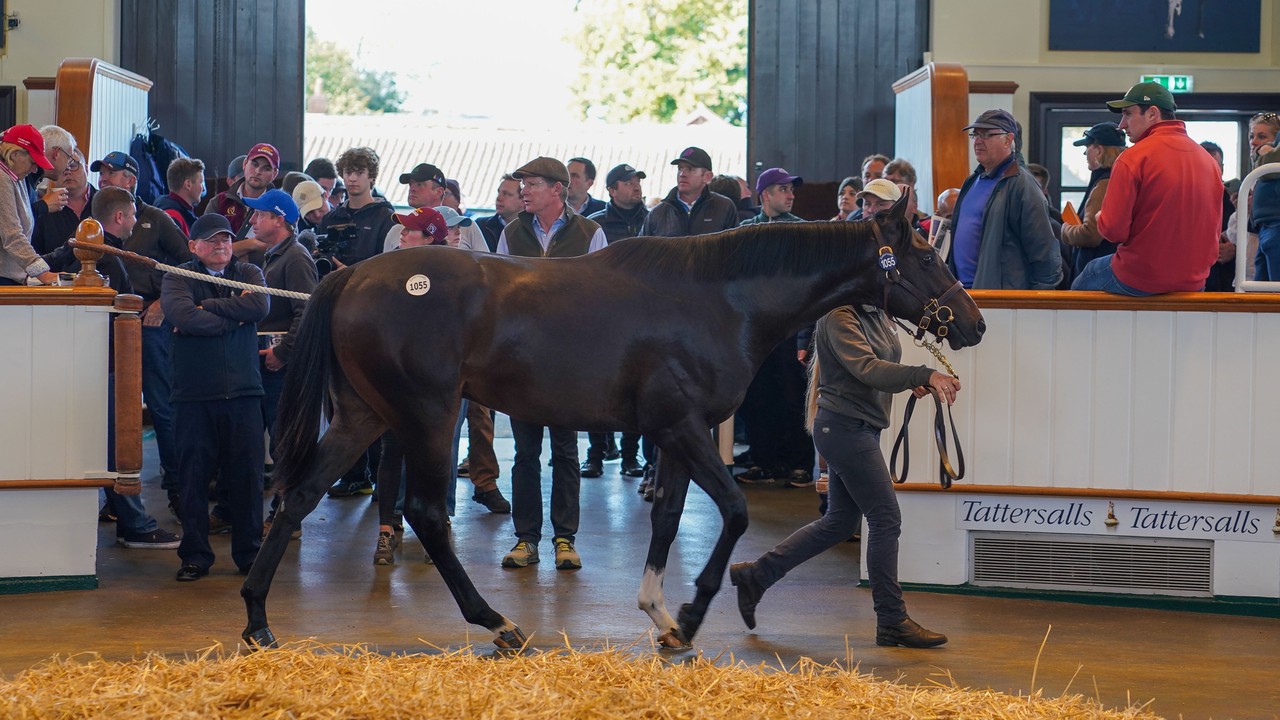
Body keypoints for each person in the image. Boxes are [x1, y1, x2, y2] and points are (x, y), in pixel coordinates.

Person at [728, 302, 959, 649]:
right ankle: (892, 621)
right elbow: (866, 368)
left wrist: (906, 381)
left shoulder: (874, 312)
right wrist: (922, 374)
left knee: (839, 522)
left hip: (858, 427)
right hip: (845, 429)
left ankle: (757, 575)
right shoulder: (839, 316)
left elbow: (878, 366)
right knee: (885, 518)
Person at [496, 156, 606, 571]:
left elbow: (603, 299)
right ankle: (525, 539)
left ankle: (565, 539)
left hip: (569, 362)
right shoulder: (511, 232)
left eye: (532, 184)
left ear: (557, 189)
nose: (524, 190)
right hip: (522, 361)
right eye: (521, 184)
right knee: (525, 453)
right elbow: (501, 296)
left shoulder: (591, 233)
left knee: (564, 451)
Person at [161, 213, 269, 581]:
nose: (222, 245)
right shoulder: (177, 275)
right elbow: (183, 316)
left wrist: (209, 307)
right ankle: (194, 556)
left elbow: (260, 307)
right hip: (193, 396)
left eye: (226, 239)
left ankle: (249, 554)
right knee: (193, 479)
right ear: (194, 246)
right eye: (212, 240)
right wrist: (234, 317)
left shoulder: (250, 273)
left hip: (244, 394)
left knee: (248, 478)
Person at [93, 150, 193, 509]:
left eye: (112, 173)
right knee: (109, 410)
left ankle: (179, 490)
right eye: (102, 173)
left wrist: (164, 303)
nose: (104, 179)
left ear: (131, 180)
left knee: (163, 408)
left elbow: (187, 262)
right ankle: (112, 498)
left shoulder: (156, 219)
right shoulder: (95, 222)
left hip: (149, 323)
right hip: (105, 326)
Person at [1073, 82, 1221, 295]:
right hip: (1195, 280)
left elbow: (1114, 231)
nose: (1122, 125)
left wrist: (1100, 217)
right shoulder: (1208, 161)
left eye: (1127, 114)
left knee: (1084, 280)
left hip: (1141, 275)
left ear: (1152, 113)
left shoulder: (1133, 157)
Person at [321, 146, 396, 498]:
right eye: (348, 171)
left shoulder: (386, 217)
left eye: (359, 171)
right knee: (340, 398)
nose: (352, 177)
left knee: (375, 396)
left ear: (371, 176)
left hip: (372, 317)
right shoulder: (331, 217)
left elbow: (388, 266)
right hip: (335, 313)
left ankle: (382, 476)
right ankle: (353, 473)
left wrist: (351, 274)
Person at [582, 163, 650, 478]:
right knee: (597, 385)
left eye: (637, 181)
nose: (635, 186)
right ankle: (595, 454)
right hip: (602, 317)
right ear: (611, 190)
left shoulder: (653, 220)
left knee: (637, 387)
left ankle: (630, 457)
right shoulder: (594, 226)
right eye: (627, 182)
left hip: (641, 317)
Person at [948, 109, 1062, 290]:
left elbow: (1044, 250)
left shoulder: (1022, 185)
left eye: (986, 135)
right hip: (964, 293)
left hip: (1000, 297)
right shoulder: (973, 180)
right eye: (975, 135)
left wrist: (1039, 302)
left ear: (1008, 140)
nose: (977, 141)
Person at [1061, 122, 1126, 281]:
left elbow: (1091, 235)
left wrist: (1066, 230)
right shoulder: (1122, 178)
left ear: (1099, 150)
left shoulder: (1104, 184)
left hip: (1095, 273)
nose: (1084, 153)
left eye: (1088, 147)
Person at [0, 125, 58, 286]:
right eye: (33, 162)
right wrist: (43, 274)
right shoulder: (2, 179)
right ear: (15, 154)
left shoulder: (15, 178)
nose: (34, 170)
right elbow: (12, 236)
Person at [639, 146, 739, 238]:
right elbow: (642, 251)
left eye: (690, 169)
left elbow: (735, 249)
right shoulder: (658, 213)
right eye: (680, 168)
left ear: (707, 177)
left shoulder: (724, 207)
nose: (682, 174)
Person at [206, 143, 280, 240]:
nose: (258, 171)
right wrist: (250, 245)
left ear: (274, 174)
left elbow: (285, 246)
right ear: (245, 164)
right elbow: (204, 244)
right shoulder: (219, 202)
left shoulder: (281, 207)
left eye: (266, 168)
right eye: (255, 164)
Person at [31, 148, 94, 255]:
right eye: (63, 167)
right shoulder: (43, 210)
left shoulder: (104, 203)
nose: (67, 171)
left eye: (73, 165)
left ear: (86, 169)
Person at [1247, 112, 1280, 282]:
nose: (1254, 142)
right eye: (1252, 136)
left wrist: (1264, 151)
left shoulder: (1269, 158)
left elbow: (1271, 168)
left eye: (1262, 136)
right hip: (1263, 228)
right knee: (1261, 291)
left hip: (1276, 226)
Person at [154, 157, 206, 236]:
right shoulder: (173, 218)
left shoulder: (178, 212)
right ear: (188, 184)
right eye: (201, 183)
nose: (203, 189)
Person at [477, 174, 521, 252]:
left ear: (524, 200)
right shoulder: (480, 226)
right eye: (499, 192)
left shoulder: (534, 230)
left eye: (506, 194)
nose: (499, 198)